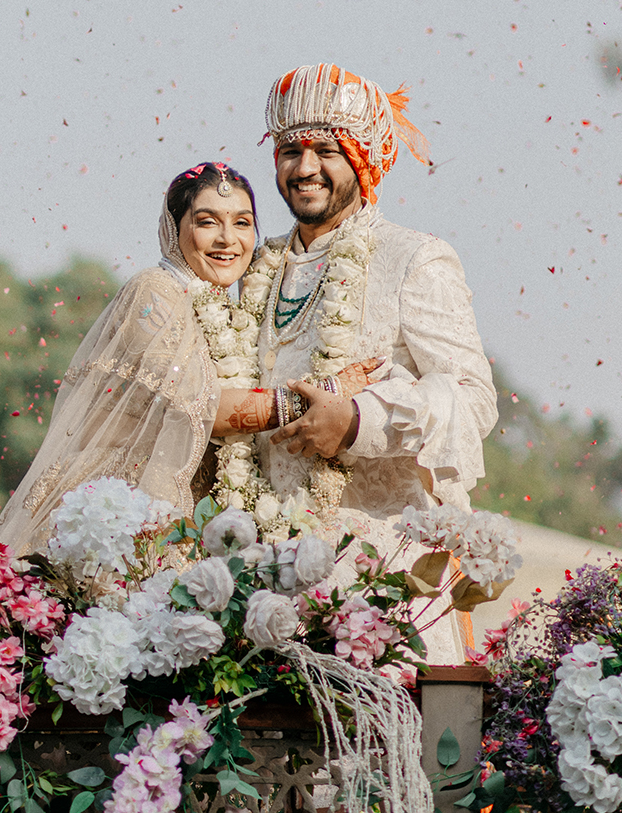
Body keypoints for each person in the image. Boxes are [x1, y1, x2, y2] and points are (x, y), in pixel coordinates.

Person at [248, 64, 500, 660]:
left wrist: (359, 422)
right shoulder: (254, 267)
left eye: (327, 151)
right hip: (263, 582)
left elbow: (473, 398)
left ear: (363, 159)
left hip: (380, 587)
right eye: (291, 150)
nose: (305, 167)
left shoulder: (414, 258)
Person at [0, 162, 375, 556]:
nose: (228, 239)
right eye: (208, 222)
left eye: (242, 223)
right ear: (174, 230)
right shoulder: (153, 292)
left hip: (187, 526)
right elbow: (201, 407)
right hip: (122, 516)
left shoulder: (234, 313)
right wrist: (324, 395)